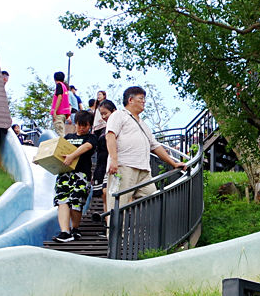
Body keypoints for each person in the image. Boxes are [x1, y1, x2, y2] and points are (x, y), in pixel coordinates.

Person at [106, 85, 185, 213]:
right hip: (124, 166)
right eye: (141, 98)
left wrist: (173, 163)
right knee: (118, 206)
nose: (144, 102)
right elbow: (110, 136)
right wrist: (114, 160)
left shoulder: (143, 124)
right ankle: (115, 233)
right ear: (130, 100)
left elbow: (155, 146)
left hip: (144, 171)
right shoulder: (119, 115)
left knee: (153, 200)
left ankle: (143, 231)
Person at [52, 110, 100, 242]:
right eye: (80, 124)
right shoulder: (68, 137)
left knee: (76, 201)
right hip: (64, 174)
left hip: (81, 174)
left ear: (90, 125)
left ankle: (75, 228)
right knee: (62, 200)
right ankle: (64, 232)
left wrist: (72, 156)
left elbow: (87, 147)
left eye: (85, 125)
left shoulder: (91, 138)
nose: (82, 127)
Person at [50, 71, 72, 135]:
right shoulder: (64, 87)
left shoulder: (59, 85)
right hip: (64, 114)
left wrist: (55, 111)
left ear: (55, 79)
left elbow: (60, 97)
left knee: (60, 133)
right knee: (61, 131)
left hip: (59, 113)